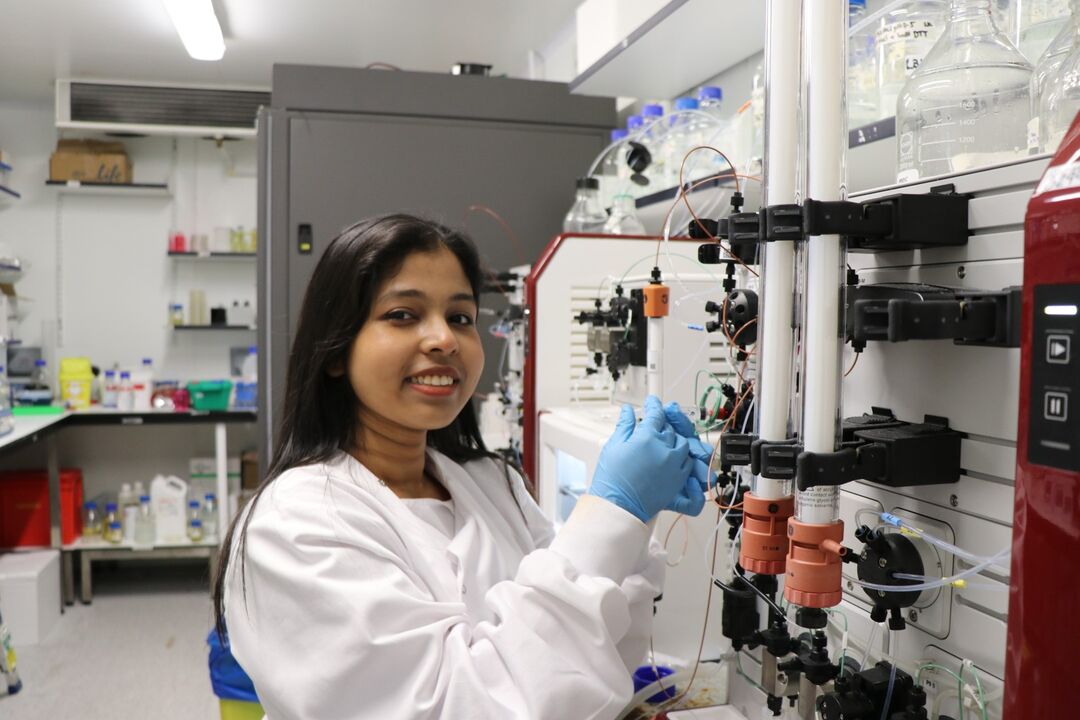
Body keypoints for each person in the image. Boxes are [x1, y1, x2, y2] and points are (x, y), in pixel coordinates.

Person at [213, 214, 713, 719]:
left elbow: (595, 654)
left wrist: (631, 523)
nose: (444, 340)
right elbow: (458, 706)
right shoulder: (296, 522)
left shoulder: (489, 483)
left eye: (460, 318)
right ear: (337, 350)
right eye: (403, 315)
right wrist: (610, 510)